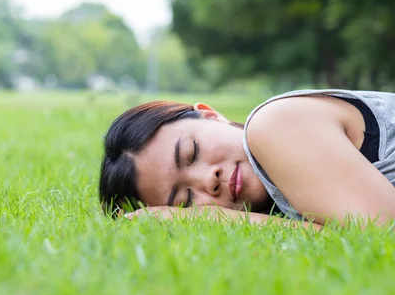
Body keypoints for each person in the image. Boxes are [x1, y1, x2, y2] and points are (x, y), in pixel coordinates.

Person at [98, 89, 395, 229]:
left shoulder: (275, 123)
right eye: (185, 200)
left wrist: (212, 217)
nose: (208, 180)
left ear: (210, 115)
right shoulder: (279, 199)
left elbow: (381, 230)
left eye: (192, 152)